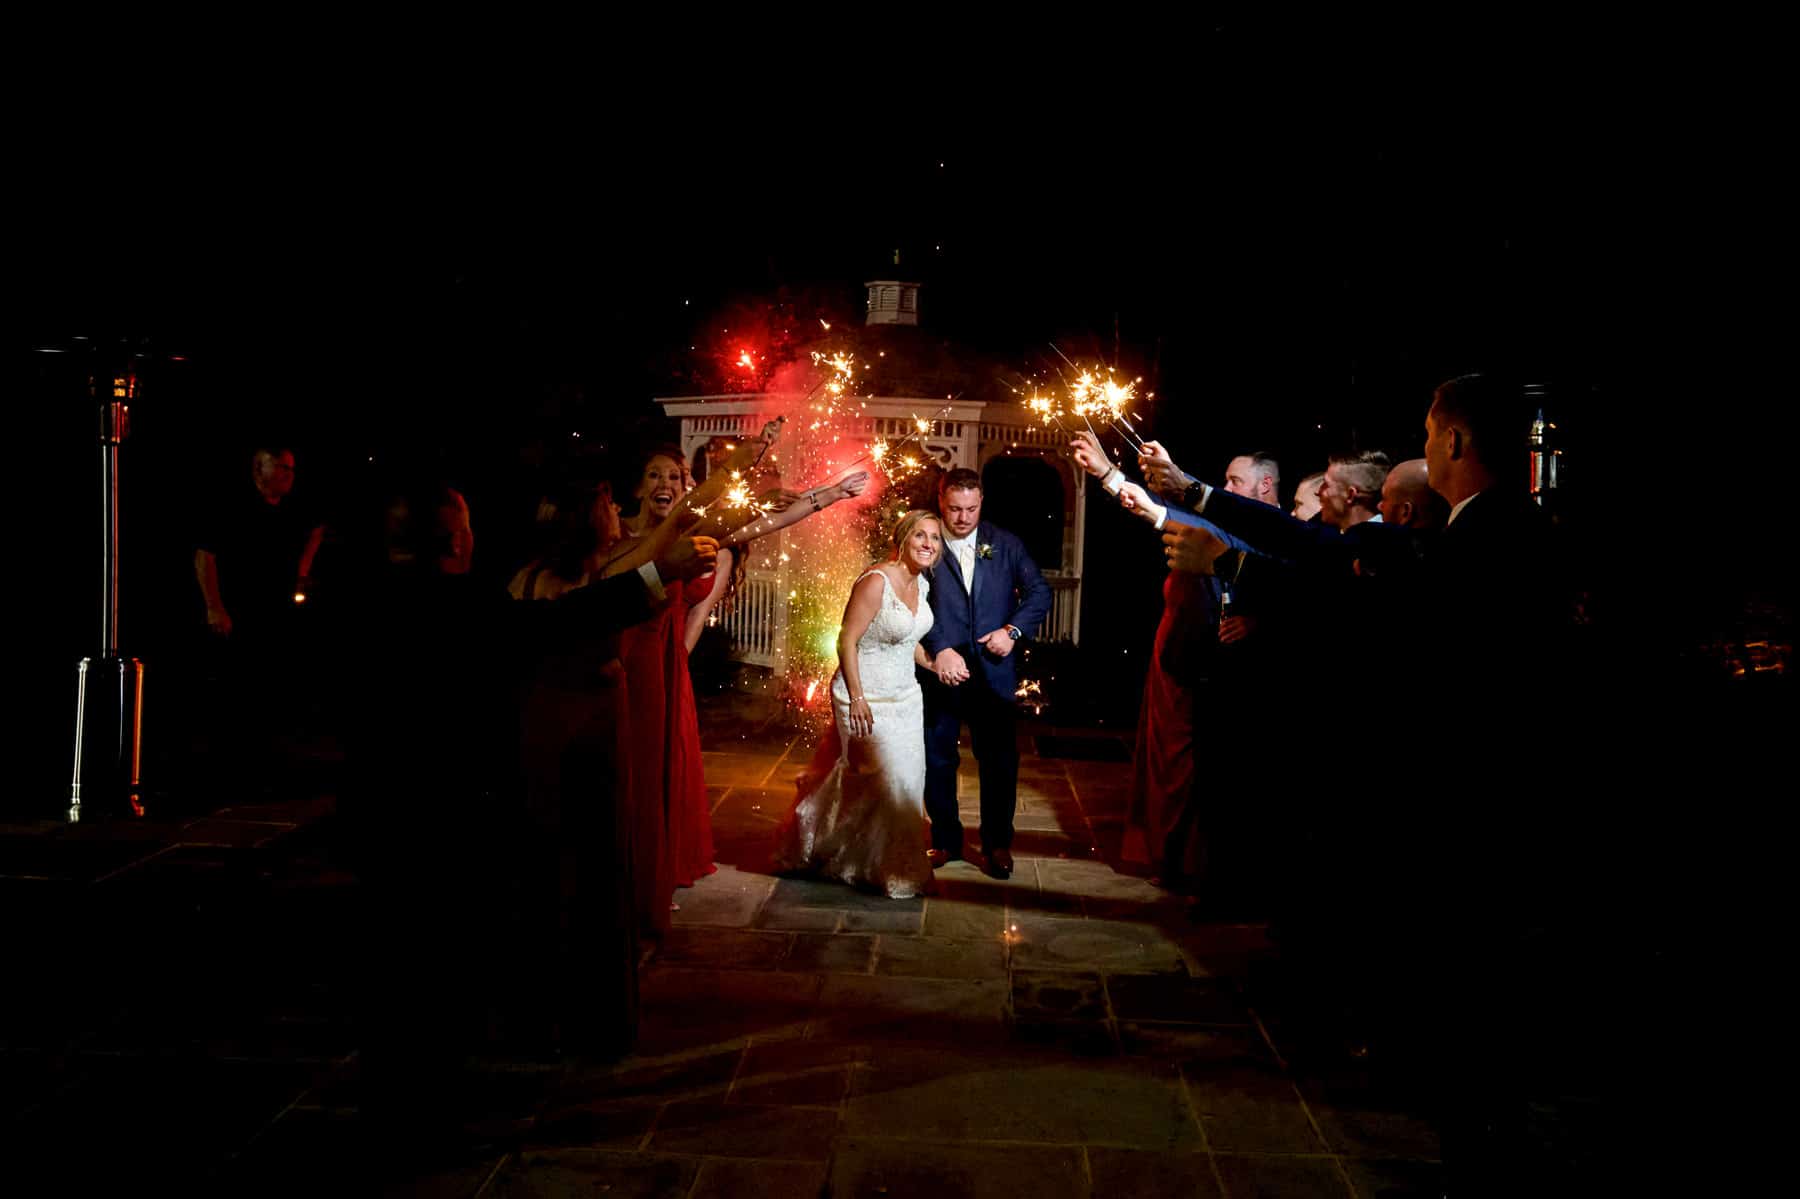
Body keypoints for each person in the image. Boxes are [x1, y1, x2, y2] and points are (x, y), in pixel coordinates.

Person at [770, 510, 942, 898]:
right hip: (864, 695)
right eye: (920, 535)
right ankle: (876, 864)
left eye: (934, 538)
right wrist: (858, 697)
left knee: (907, 785)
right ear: (903, 538)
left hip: (906, 697)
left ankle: (882, 863)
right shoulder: (876, 581)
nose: (928, 544)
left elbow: (907, 638)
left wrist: (932, 664)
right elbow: (846, 640)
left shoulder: (922, 584)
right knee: (885, 782)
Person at [918, 468, 1053, 879]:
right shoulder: (925, 542)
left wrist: (1012, 632)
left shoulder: (1005, 543)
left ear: (982, 502)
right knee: (937, 758)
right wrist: (939, 648)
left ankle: (997, 844)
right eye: (954, 509)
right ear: (940, 502)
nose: (962, 518)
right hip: (941, 669)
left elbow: (1039, 592)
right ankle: (945, 840)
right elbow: (911, 601)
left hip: (994, 672)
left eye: (971, 509)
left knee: (999, 761)